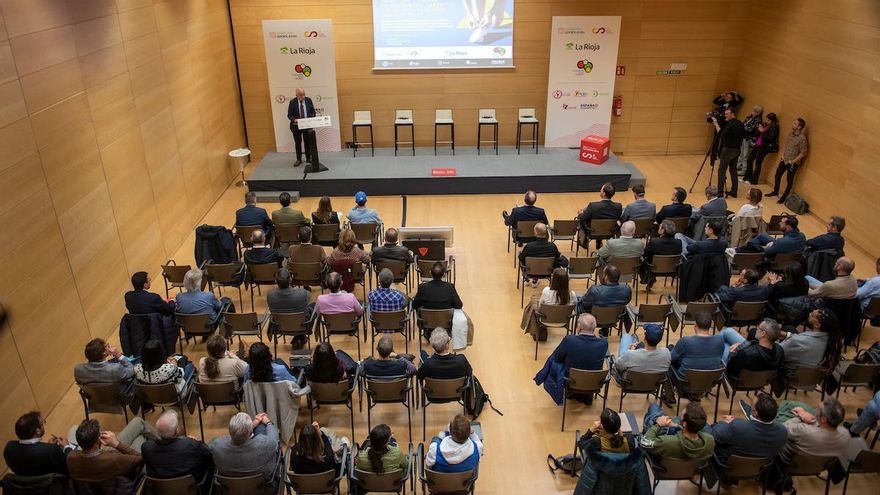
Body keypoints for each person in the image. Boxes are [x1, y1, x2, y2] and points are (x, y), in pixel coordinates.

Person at [705, 393, 788, 480]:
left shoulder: (738, 426)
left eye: (752, 403)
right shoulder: (783, 432)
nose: (750, 402)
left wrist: (725, 424)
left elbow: (715, 435)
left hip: (728, 466)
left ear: (756, 413)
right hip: (757, 469)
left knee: (705, 428)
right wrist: (736, 423)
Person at [142, 411, 213, 492]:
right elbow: (208, 456)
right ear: (177, 430)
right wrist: (198, 443)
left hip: (162, 491)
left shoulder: (146, 448)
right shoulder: (191, 445)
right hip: (190, 490)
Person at [66, 417, 156, 482]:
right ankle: (167, 440)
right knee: (139, 436)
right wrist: (116, 444)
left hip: (102, 459)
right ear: (98, 439)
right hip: (118, 466)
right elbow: (142, 459)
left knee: (73, 428)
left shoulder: (71, 458)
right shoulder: (115, 460)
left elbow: (72, 452)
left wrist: (67, 446)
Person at [210, 412, 281, 488]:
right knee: (262, 427)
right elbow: (274, 438)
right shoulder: (265, 445)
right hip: (262, 489)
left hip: (231, 489)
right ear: (251, 432)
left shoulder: (216, 446)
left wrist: (252, 425)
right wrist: (268, 423)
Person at [413, 262, 471, 350]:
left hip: (427, 323)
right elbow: (459, 305)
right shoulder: (450, 287)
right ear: (444, 274)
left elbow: (414, 305)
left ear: (430, 273)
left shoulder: (423, 288)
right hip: (446, 322)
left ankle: (428, 333)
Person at [773, 398, 849, 463]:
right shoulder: (845, 435)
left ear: (823, 419)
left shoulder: (803, 430)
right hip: (819, 465)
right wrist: (813, 421)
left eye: (818, 409)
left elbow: (782, 429)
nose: (816, 410)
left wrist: (800, 416)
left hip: (790, 461)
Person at [640, 402, 715, 462]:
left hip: (666, 470)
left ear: (685, 423)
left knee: (653, 407)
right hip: (691, 471)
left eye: (682, 416)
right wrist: (678, 426)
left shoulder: (666, 442)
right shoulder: (710, 440)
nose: (680, 417)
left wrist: (658, 425)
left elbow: (644, 443)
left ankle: (655, 418)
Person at [778, 308, 841, 378]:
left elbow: (776, 352)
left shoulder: (797, 341)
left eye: (811, 315)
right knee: (789, 328)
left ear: (817, 325)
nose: (810, 313)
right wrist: (788, 335)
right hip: (812, 379)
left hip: (792, 377)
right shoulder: (832, 342)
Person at [3, 411, 71, 476]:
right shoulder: (51, 451)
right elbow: (71, 467)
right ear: (37, 431)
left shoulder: (9, 449)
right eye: (42, 423)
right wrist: (66, 447)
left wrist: (49, 447)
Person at [521, 267, 576, 340]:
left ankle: (534, 330)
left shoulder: (546, 291)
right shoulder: (572, 294)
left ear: (554, 280)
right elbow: (574, 308)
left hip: (546, 320)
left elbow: (540, 307)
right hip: (564, 321)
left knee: (533, 302)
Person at [718, 318, 785, 378]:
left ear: (763, 334)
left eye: (758, 328)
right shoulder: (780, 350)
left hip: (737, 377)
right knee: (728, 331)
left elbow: (731, 368)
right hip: (757, 375)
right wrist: (742, 345)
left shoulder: (745, 354)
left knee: (722, 345)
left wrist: (737, 349)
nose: (756, 329)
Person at [670, 311, 724, 380]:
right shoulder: (720, 339)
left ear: (695, 325)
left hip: (686, 382)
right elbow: (719, 357)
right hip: (710, 381)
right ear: (710, 325)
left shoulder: (685, 341)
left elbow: (671, 358)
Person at [767, 117, 809, 203]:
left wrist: (793, 161)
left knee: (789, 180)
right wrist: (783, 155)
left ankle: (784, 197)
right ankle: (775, 192)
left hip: (793, 163)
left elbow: (803, 153)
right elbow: (788, 146)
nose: (792, 124)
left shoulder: (802, 138)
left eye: (795, 123)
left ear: (799, 127)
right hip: (784, 159)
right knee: (777, 175)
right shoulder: (790, 134)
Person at [711, 107, 745, 198]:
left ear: (733, 114)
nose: (725, 116)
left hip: (728, 150)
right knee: (733, 170)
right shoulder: (741, 123)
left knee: (721, 171)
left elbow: (721, 134)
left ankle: (720, 193)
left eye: (727, 114)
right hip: (737, 150)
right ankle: (734, 191)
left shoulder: (730, 124)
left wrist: (716, 124)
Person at [577, 182, 623, 248]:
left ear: (604, 193)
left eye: (601, 189)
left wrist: (580, 213)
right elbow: (618, 218)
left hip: (592, 232)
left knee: (580, 220)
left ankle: (584, 242)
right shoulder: (618, 206)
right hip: (610, 232)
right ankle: (598, 242)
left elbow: (583, 219)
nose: (600, 191)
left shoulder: (593, 206)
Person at [738, 215, 805, 258]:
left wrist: (768, 246)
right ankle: (742, 250)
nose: (779, 223)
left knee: (753, 246)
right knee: (763, 235)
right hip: (790, 258)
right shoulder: (802, 236)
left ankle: (741, 252)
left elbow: (765, 252)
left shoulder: (781, 242)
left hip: (777, 260)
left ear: (788, 227)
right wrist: (774, 243)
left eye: (782, 223)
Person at [641, 220, 682, 289]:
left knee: (640, 260)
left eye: (660, 227)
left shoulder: (654, 242)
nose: (658, 228)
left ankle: (647, 279)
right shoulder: (679, 242)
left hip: (653, 270)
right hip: (672, 271)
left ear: (663, 230)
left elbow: (645, 254)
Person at [744, 112, 779, 184]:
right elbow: (759, 134)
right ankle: (747, 177)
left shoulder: (774, 127)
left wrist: (762, 131)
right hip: (758, 144)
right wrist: (759, 129)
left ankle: (754, 180)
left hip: (764, 147)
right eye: (767, 119)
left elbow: (771, 139)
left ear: (772, 121)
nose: (767, 121)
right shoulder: (766, 125)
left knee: (758, 163)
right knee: (749, 159)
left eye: (769, 120)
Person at [287, 87, 316, 167]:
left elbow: (313, 112)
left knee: (307, 143)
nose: (303, 96)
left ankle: (308, 158)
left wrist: (308, 119)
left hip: (307, 125)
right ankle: (298, 159)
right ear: (296, 95)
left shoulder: (308, 100)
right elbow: (289, 115)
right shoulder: (292, 102)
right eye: (301, 95)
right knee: (298, 143)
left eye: (304, 94)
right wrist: (294, 120)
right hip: (296, 126)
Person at [738, 104, 763, 173]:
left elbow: (750, 129)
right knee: (741, 152)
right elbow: (743, 124)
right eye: (754, 111)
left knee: (745, 155)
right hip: (744, 136)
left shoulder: (758, 120)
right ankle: (739, 166)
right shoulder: (749, 117)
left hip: (749, 138)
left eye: (756, 112)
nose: (754, 113)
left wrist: (743, 128)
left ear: (759, 113)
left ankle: (744, 170)